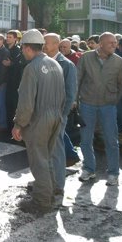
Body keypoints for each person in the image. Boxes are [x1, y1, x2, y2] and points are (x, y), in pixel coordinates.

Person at [12, 29, 65, 214]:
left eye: (22, 48)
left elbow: (26, 102)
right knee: (47, 158)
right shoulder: (54, 63)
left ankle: (42, 201)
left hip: (39, 119)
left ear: (27, 48)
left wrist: (19, 124)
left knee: (38, 161)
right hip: (55, 116)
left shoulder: (31, 68)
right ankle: (50, 193)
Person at [77, 32, 122, 186]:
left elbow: (121, 85)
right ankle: (89, 169)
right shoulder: (86, 57)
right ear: (101, 43)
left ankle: (113, 173)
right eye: (111, 42)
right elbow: (77, 79)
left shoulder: (119, 61)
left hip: (108, 106)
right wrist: (75, 101)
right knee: (85, 139)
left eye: (115, 43)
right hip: (87, 104)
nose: (114, 45)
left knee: (111, 140)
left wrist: (112, 101)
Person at [43, 33, 78, 195]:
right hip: (42, 114)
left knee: (56, 149)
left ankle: (58, 185)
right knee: (45, 149)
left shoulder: (67, 65)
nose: (43, 45)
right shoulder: (41, 61)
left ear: (56, 44)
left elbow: (70, 94)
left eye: (46, 42)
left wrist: (62, 115)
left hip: (58, 115)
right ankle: (47, 180)